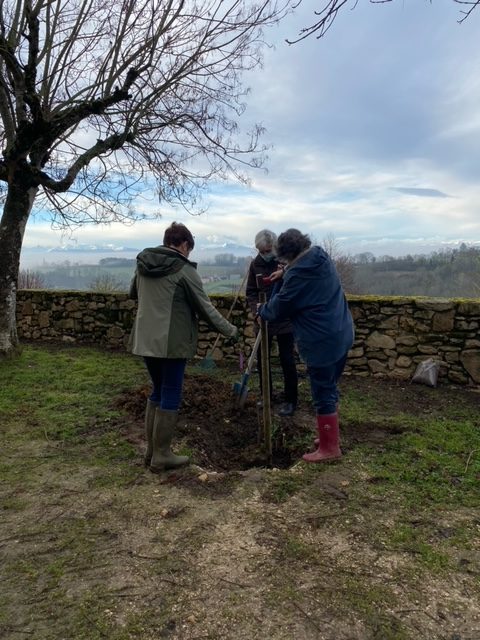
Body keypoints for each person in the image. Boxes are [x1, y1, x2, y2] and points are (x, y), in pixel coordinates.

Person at [129, 222, 237, 473]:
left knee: (157, 390)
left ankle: (151, 451)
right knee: (171, 391)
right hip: (172, 342)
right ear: (185, 244)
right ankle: (162, 455)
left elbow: (133, 293)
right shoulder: (183, 269)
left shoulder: (143, 262)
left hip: (145, 339)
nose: (189, 254)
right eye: (190, 249)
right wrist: (230, 330)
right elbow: (205, 308)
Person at [257, 228, 354, 463]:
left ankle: (330, 448)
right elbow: (299, 273)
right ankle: (328, 436)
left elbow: (279, 308)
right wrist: (285, 272)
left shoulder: (297, 276)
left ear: (286, 254)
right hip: (342, 332)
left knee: (323, 393)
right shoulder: (319, 256)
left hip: (321, 341)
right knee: (329, 387)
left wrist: (262, 309)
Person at [246, 229, 298, 416]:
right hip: (263, 320)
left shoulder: (285, 263)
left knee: (287, 359)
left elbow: (294, 289)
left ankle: (291, 399)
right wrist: (256, 313)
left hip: (284, 319)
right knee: (263, 360)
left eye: (269, 250)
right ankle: (266, 395)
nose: (266, 254)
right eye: (262, 251)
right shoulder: (255, 265)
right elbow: (251, 292)